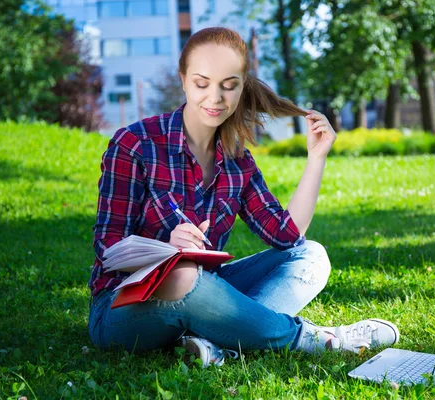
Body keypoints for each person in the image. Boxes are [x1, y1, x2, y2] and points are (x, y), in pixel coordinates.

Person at [88, 27, 399, 367]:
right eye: (202, 83)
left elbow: (287, 235)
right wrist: (168, 252)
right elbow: (107, 247)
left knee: (311, 255)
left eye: (229, 84)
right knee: (184, 274)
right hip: (122, 307)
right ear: (183, 79)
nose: (215, 97)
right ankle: (319, 339)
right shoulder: (135, 144)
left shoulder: (238, 162)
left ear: (241, 86)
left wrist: (316, 158)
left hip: (207, 290)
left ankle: (213, 342)